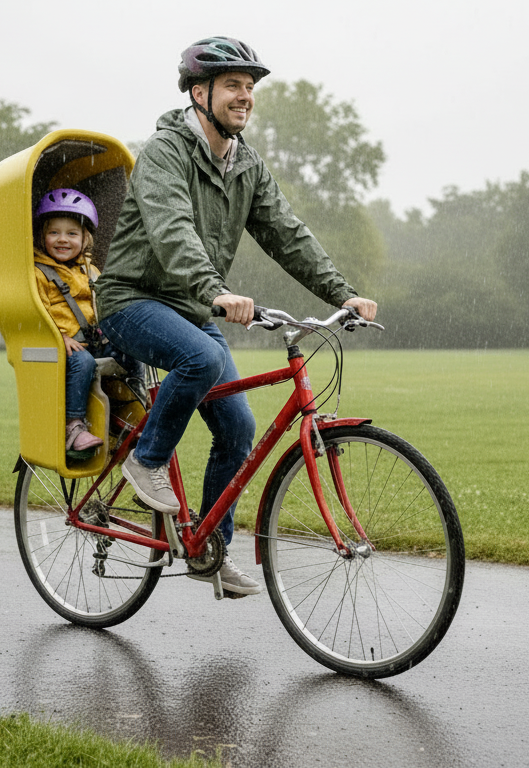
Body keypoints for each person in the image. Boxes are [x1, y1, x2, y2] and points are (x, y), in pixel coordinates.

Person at [95, 36, 378, 596]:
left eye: (249, 88)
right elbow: (172, 227)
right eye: (233, 86)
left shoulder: (245, 164)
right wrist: (215, 290)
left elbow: (286, 234)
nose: (244, 97)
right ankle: (146, 461)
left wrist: (341, 292)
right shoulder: (164, 152)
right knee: (200, 357)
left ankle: (209, 547)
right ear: (199, 93)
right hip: (131, 299)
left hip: (191, 305)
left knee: (239, 427)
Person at [33, 188, 144, 456]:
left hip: (97, 341)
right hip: (66, 347)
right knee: (81, 361)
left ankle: (135, 403)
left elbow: (108, 304)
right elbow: (37, 314)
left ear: (85, 239)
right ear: (42, 237)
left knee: (134, 345)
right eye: (54, 232)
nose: (62, 239)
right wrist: (59, 338)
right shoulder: (38, 274)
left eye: (72, 233)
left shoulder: (91, 272)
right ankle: (74, 426)